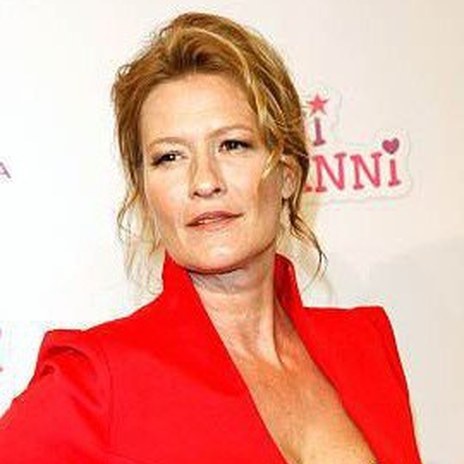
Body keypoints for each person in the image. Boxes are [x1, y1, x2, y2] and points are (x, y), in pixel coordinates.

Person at [0, 11, 423, 464]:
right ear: (145, 192)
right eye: (170, 157)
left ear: (286, 174)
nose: (204, 181)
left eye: (232, 145)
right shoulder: (95, 381)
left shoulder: (366, 345)